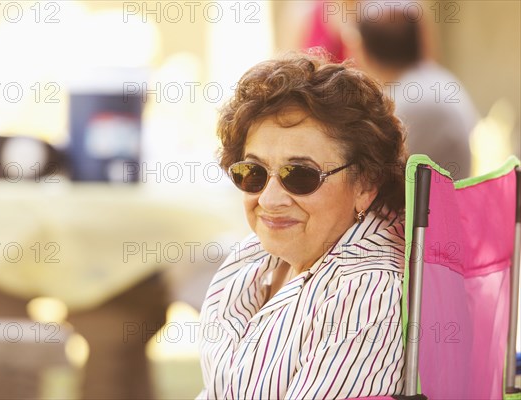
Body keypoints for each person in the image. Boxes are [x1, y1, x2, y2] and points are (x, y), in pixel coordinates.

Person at [197, 52, 408, 399]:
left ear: (366, 183)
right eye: (253, 173)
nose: (269, 199)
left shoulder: (366, 291)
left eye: (301, 175)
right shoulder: (251, 258)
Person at [353, 5, 478, 179]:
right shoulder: (440, 79)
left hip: (430, 203)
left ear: (363, 50)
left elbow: (381, 181)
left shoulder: (403, 104)